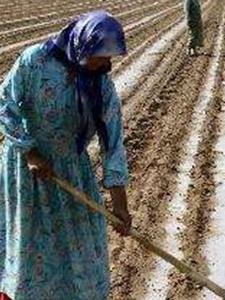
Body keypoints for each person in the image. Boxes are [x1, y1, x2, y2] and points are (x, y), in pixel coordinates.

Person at [0, 10, 132, 299]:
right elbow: (5, 105)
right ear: (84, 46)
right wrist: (30, 152)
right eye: (103, 55)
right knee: (32, 248)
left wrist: (120, 204)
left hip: (71, 171)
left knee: (81, 252)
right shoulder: (35, 61)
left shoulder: (100, 84)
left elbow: (113, 143)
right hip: (28, 172)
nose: (108, 63)